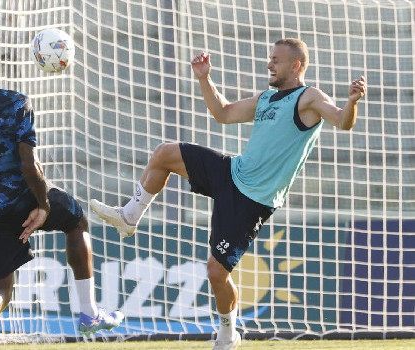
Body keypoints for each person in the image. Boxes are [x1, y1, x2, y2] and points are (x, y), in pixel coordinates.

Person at [89, 38, 366, 350]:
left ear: (296, 65)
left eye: (276, 59)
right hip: (232, 172)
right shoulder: (267, 99)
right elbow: (222, 113)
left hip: (253, 200)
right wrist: (204, 77)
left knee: (215, 273)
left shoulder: (309, 97)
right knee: (164, 153)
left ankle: (227, 334)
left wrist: (352, 102)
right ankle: (129, 216)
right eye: (270, 58)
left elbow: (342, 121)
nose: (269, 65)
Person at [0, 39, 123, 350]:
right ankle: (89, 314)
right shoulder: (16, 102)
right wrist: (44, 205)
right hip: (22, 199)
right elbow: (30, 165)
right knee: (77, 222)